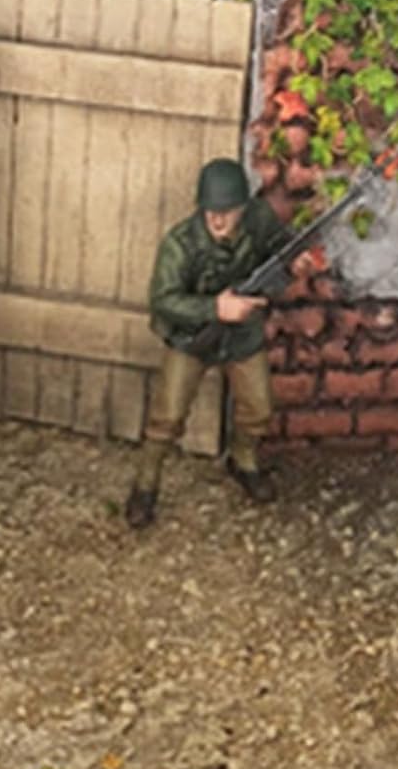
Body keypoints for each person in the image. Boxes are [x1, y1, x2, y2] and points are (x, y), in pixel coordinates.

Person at [125, 157, 296, 526]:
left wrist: (295, 266)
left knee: (259, 408)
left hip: (241, 333)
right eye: (210, 211)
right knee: (167, 417)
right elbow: (163, 299)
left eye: (227, 212)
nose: (217, 220)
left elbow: (281, 249)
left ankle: (243, 460)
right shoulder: (180, 243)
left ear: (243, 208)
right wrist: (215, 308)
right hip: (192, 334)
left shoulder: (259, 219)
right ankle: (145, 485)